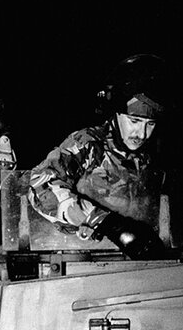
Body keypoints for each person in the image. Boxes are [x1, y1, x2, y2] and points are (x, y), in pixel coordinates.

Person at [24, 88, 169, 251]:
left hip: (135, 261)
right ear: (116, 115)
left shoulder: (152, 156)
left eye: (150, 124)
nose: (141, 134)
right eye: (134, 121)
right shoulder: (89, 143)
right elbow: (40, 185)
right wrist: (108, 224)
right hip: (79, 256)